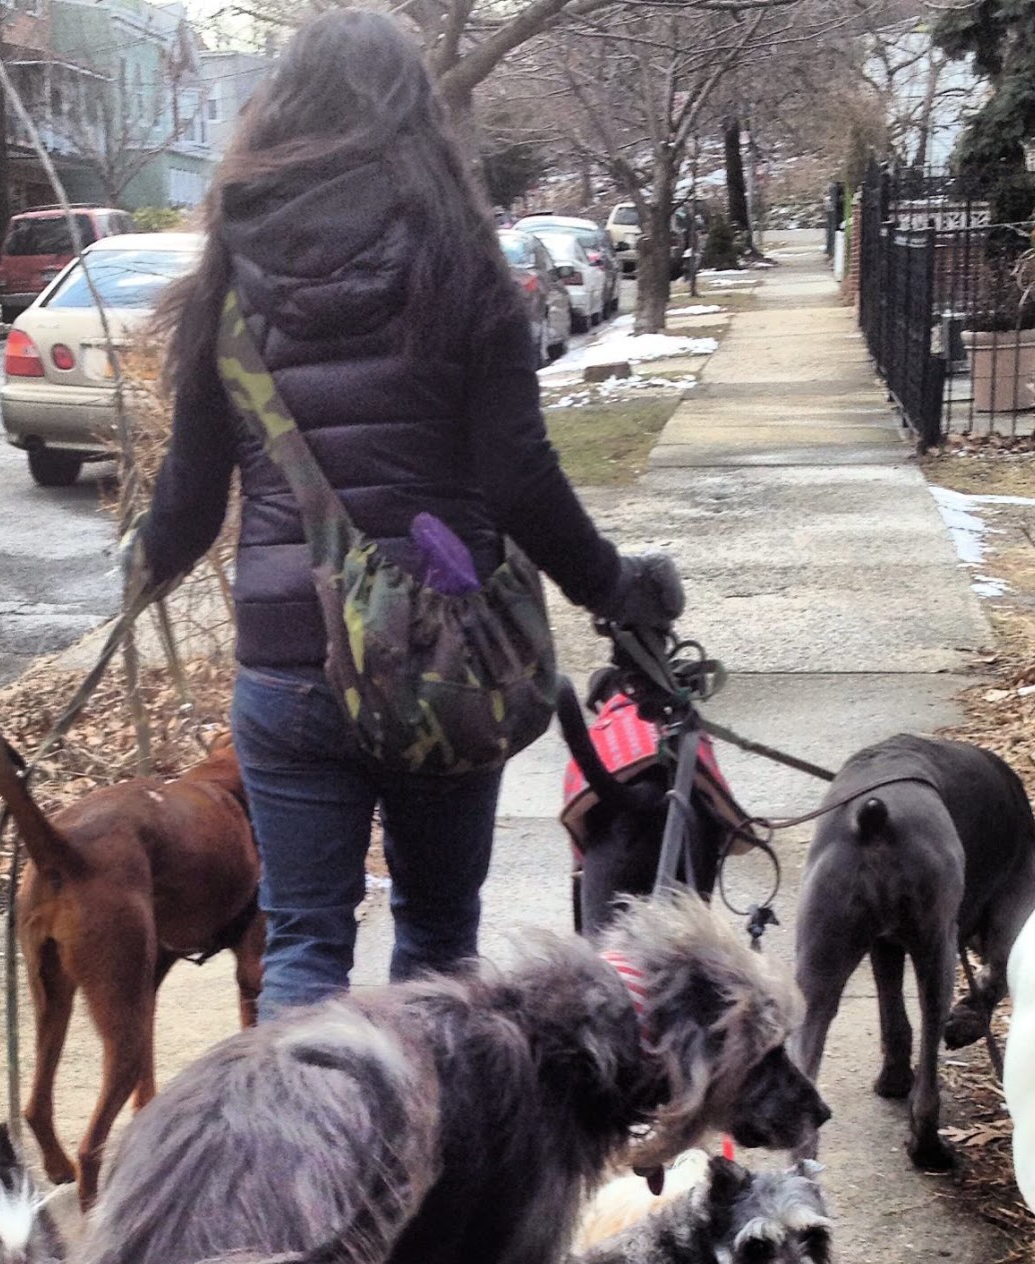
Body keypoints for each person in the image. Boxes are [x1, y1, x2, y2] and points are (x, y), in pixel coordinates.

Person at [135, 9, 684, 1011]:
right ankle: (432, 1159)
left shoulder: (228, 280)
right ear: (412, 115)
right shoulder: (461, 263)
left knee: (303, 935)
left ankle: (308, 1165)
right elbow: (518, 476)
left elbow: (186, 494)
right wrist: (618, 591)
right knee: (435, 934)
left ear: (281, 114)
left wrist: (146, 562)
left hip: (289, 666)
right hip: (440, 661)